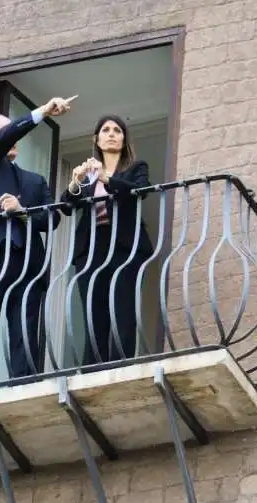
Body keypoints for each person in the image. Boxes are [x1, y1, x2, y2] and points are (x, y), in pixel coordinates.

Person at [0, 96, 73, 387]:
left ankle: (24, 387)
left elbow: (51, 220)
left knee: (26, 328)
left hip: (26, 258)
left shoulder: (34, 181)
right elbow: (2, 142)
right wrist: (41, 113)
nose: (12, 138)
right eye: (5, 134)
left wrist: (22, 213)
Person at [60, 115, 154, 365]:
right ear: (97, 139)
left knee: (123, 309)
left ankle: (120, 367)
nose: (111, 134)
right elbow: (67, 206)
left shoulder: (136, 168)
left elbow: (140, 191)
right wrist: (76, 181)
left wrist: (107, 178)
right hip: (92, 248)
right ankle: (92, 372)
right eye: (105, 130)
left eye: (117, 130)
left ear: (124, 139)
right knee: (93, 313)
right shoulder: (88, 175)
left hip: (126, 246)